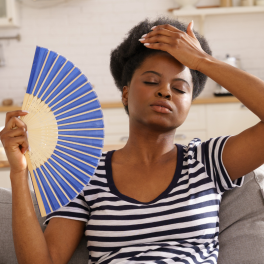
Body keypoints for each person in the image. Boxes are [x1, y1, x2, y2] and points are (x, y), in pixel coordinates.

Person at [1, 16, 264, 264]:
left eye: (180, 88)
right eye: (151, 81)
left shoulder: (207, 161)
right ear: (125, 94)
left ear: (189, 103)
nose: (165, 91)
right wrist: (19, 171)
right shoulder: (86, 173)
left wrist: (202, 61)